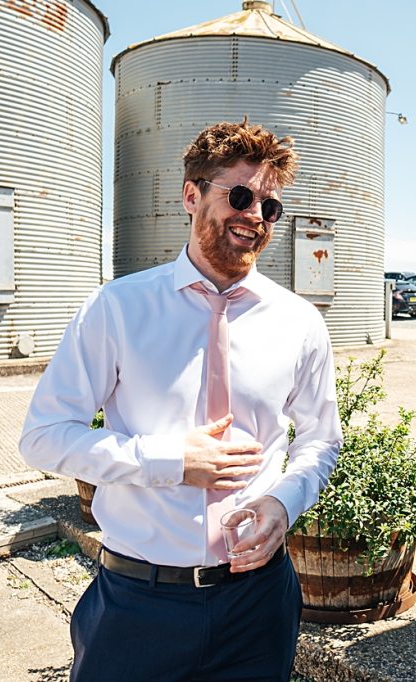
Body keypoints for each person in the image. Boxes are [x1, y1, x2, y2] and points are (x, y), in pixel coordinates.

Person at [21, 120, 341, 681]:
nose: (256, 216)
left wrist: (284, 502)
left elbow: (320, 440)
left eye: (269, 207)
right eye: (239, 196)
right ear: (191, 195)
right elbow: (44, 436)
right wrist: (170, 461)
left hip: (258, 605)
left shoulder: (299, 321)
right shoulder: (117, 308)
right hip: (138, 605)